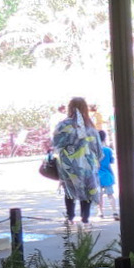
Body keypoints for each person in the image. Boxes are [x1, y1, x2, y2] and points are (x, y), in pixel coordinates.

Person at [50, 96, 101, 226]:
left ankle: (70, 217)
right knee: (87, 190)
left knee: (69, 190)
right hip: (88, 164)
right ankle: (85, 218)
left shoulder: (62, 125)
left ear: (69, 108)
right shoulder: (90, 126)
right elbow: (98, 148)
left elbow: (55, 144)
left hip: (68, 165)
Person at [96, 129, 116, 218]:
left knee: (99, 195)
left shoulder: (94, 150)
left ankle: (100, 212)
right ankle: (114, 211)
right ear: (105, 138)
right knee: (110, 195)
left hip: (97, 175)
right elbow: (112, 161)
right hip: (107, 174)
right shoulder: (108, 150)